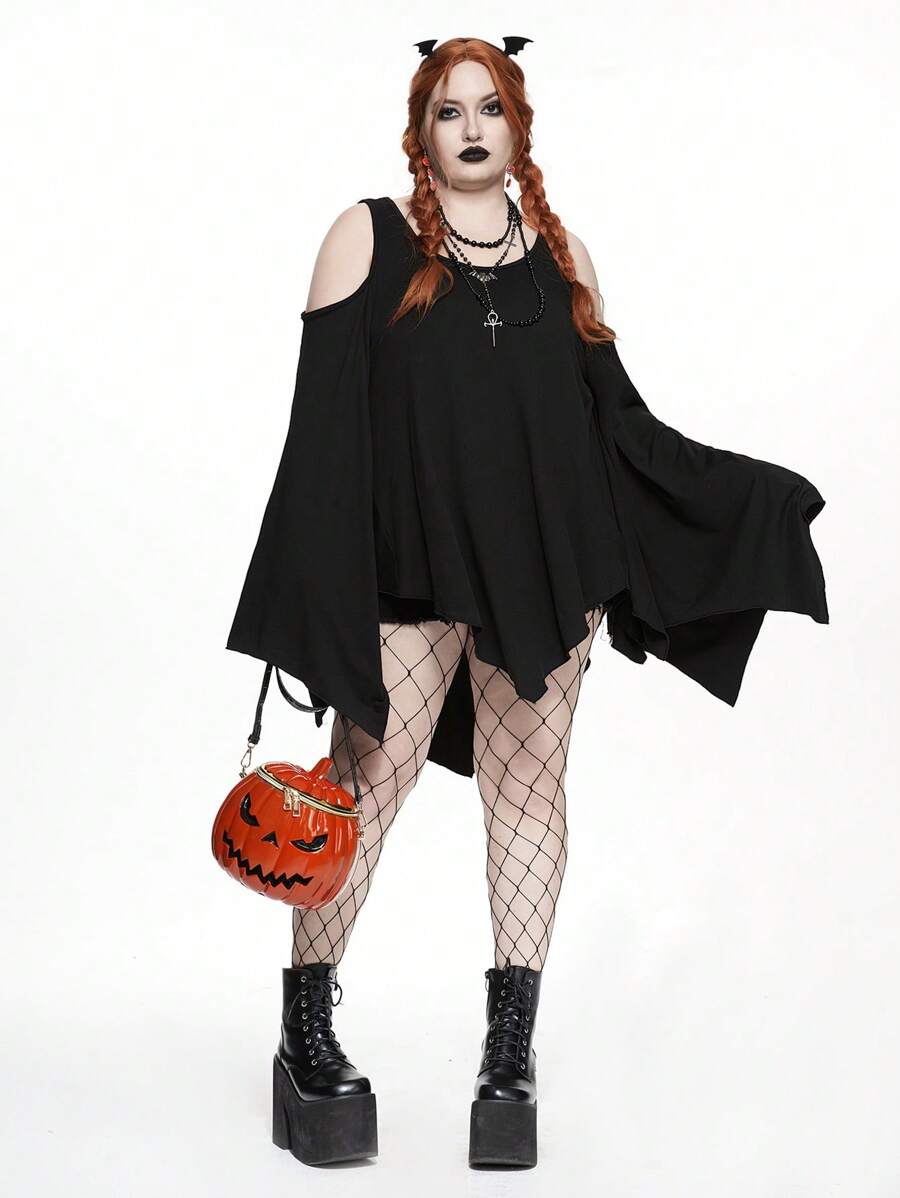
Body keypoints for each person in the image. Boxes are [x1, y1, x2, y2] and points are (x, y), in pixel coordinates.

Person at [226, 37, 829, 1170]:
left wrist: (749, 502)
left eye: (489, 108)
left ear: (518, 126)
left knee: (529, 786)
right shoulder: (367, 237)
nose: (471, 128)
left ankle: (510, 1054)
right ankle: (306, 1031)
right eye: (449, 110)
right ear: (421, 130)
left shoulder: (562, 254)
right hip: (406, 568)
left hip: (540, 573)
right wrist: (310, 605)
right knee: (371, 780)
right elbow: (319, 440)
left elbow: (619, 428)